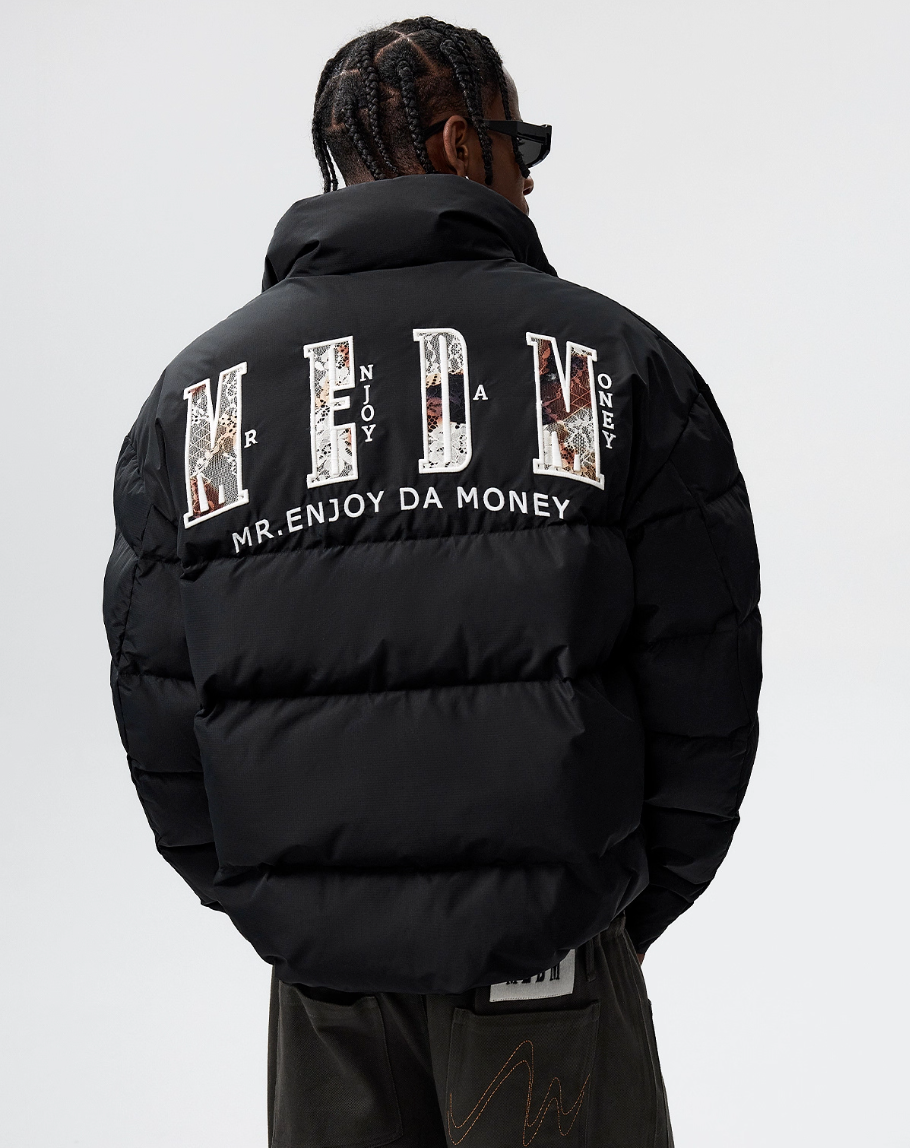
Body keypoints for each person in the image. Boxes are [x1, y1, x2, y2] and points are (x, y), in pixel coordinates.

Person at [103, 16, 760, 1146]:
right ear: (463, 144)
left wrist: (288, 908)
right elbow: (704, 676)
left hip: (324, 985)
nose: (530, 178)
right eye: (522, 144)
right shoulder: (612, 363)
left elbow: (156, 699)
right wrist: (605, 902)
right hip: (551, 961)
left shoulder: (197, 400)